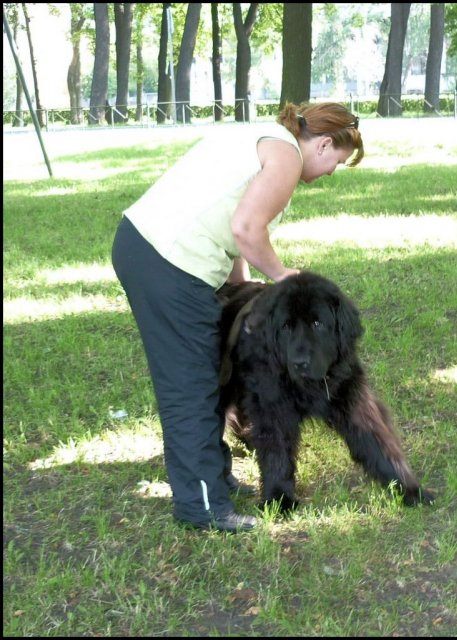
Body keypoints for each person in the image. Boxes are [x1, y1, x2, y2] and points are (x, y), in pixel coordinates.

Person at [111, 101, 364, 532]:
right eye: (336, 162)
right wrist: (284, 277)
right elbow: (248, 228)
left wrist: (241, 289)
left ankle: (215, 478)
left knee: (208, 373)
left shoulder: (264, 137)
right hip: (168, 265)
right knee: (190, 387)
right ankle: (203, 506)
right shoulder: (286, 157)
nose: (331, 173)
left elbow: (229, 228)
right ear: (322, 144)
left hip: (148, 249)